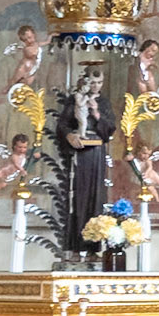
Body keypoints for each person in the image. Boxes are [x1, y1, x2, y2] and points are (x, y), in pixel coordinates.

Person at [54, 61, 116, 255]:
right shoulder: (74, 100)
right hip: (79, 154)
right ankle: (75, 247)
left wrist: (96, 113)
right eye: (93, 82)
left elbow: (110, 129)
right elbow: (62, 125)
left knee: (95, 197)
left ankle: (93, 248)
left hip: (96, 153)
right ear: (86, 81)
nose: (96, 86)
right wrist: (69, 136)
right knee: (77, 197)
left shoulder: (104, 102)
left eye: (100, 82)